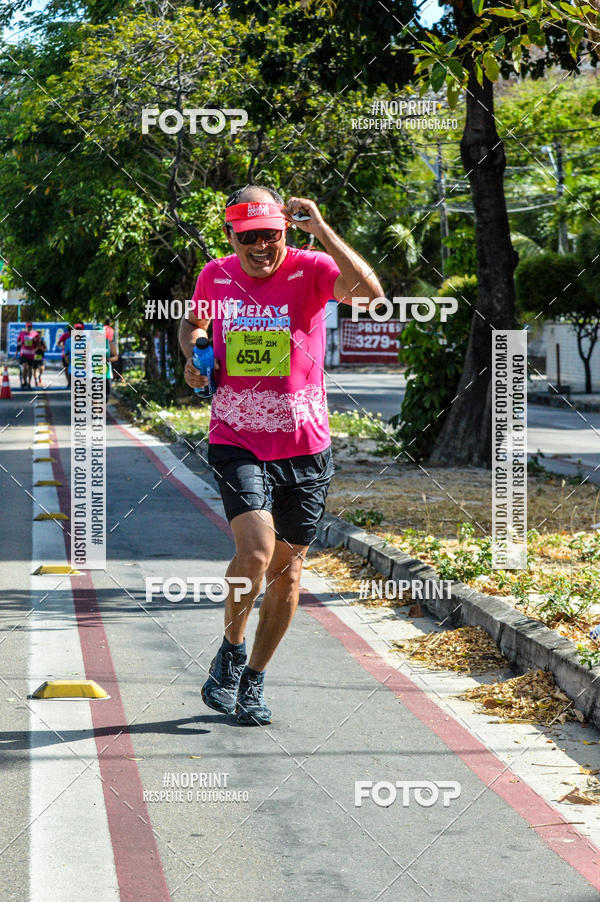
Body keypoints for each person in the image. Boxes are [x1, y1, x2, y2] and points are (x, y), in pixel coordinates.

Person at [179, 185, 382, 725]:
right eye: (248, 238)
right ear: (231, 236)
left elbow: (369, 293)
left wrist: (324, 230)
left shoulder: (313, 266)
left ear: (284, 230)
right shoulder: (214, 275)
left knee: (289, 575)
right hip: (236, 435)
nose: (260, 246)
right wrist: (195, 352)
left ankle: (253, 679)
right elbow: (194, 323)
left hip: (305, 444)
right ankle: (232, 648)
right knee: (256, 551)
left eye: (270, 234)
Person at [16, 321, 39, 389]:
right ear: (26, 327)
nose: (29, 328)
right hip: (23, 353)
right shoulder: (22, 333)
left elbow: (37, 344)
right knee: (25, 367)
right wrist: (20, 343)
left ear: (32, 327)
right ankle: (24, 382)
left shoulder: (35, 334)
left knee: (30, 369)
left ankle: (29, 383)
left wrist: (35, 341)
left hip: (31, 354)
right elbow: (18, 341)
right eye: (28, 327)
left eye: (30, 327)